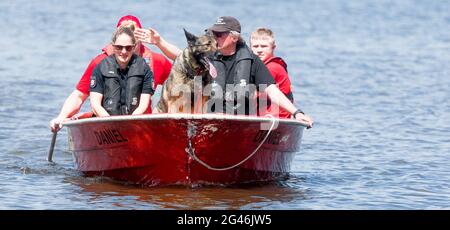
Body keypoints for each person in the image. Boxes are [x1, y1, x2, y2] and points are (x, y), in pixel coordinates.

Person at [49, 15, 172, 132]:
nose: (124, 51)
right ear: (115, 42)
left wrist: (159, 42)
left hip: (141, 127)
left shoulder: (156, 62)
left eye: (130, 46)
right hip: (107, 126)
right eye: (120, 46)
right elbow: (79, 96)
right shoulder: (100, 63)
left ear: (139, 40)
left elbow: (182, 79)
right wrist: (61, 117)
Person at [207, 16, 313, 127]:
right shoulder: (205, 59)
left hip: (239, 123)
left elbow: (272, 91)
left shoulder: (253, 61)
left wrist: (297, 112)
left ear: (234, 38)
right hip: (210, 119)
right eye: (213, 34)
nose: (214, 38)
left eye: (219, 35)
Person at [90, 26, 154, 116]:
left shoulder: (144, 69)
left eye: (128, 48)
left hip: (133, 120)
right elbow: (95, 105)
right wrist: (109, 121)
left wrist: (131, 121)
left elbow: (144, 104)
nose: (123, 51)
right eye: (119, 47)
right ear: (113, 47)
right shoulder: (100, 68)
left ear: (134, 47)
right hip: (105, 121)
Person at [250, 27, 294, 119]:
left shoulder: (272, 67)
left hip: (275, 117)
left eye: (264, 46)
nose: (259, 50)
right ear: (250, 48)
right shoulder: (260, 66)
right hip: (267, 114)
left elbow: (252, 95)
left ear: (273, 47)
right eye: (255, 46)